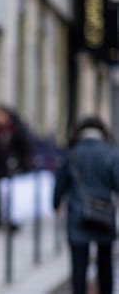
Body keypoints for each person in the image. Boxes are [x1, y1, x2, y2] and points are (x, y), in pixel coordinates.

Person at [54, 117, 119, 294]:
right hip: (104, 214)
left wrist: (56, 204)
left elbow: (60, 183)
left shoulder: (72, 153)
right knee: (105, 262)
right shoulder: (111, 153)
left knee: (78, 264)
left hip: (77, 214)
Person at [0, 105, 33, 228]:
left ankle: (12, 221)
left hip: (13, 168)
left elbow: (24, 148)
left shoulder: (16, 129)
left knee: (11, 196)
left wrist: (21, 164)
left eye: (0, 115)